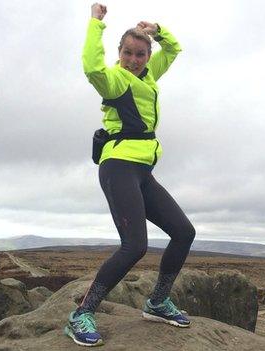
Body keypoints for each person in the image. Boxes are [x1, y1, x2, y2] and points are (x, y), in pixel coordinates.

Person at [64, 3, 196, 347]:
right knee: (135, 245)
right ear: (119, 53)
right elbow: (91, 66)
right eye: (127, 53)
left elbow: (175, 49)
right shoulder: (115, 80)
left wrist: (157, 29)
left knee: (184, 231)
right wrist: (96, 23)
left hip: (143, 171)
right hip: (118, 166)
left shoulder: (149, 76)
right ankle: (82, 314)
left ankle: (157, 302)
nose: (134, 59)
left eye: (140, 54)